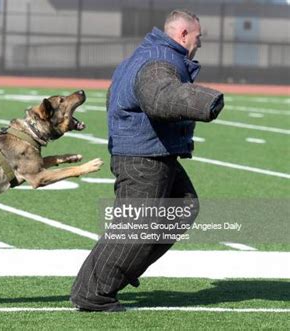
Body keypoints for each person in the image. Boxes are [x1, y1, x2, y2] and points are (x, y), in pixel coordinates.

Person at [71, 9, 225, 312]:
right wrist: (206, 101)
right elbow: (159, 97)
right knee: (135, 228)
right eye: (198, 37)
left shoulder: (150, 54)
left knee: (182, 207)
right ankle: (93, 293)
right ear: (183, 34)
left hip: (151, 150)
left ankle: (121, 269)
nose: (200, 43)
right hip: (143, 157)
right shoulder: (158, 61)